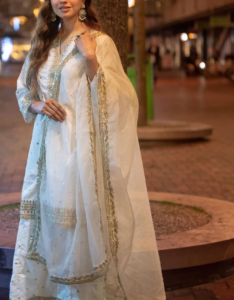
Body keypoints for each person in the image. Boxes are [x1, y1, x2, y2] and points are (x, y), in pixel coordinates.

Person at [10, 0, 166, 299]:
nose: (63, 0)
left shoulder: (100, 42)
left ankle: (77, 293)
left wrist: (92, 60)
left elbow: (123, 100)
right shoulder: (45, 43)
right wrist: (37, 104)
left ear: (84, 1)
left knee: (74, 216)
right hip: (45, 150)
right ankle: (45, 290)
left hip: (80, 149)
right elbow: (23, 89)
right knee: (45, 214)